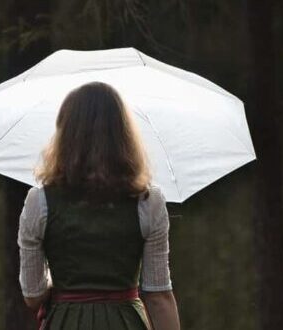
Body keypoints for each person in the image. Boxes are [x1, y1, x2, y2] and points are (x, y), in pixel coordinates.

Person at [18, 81, 181, 330]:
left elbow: (32, 295)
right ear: (124, 135)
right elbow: (158, 296)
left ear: (64, 134)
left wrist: (59, 283)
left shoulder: (38, 202)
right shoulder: (149, 202)